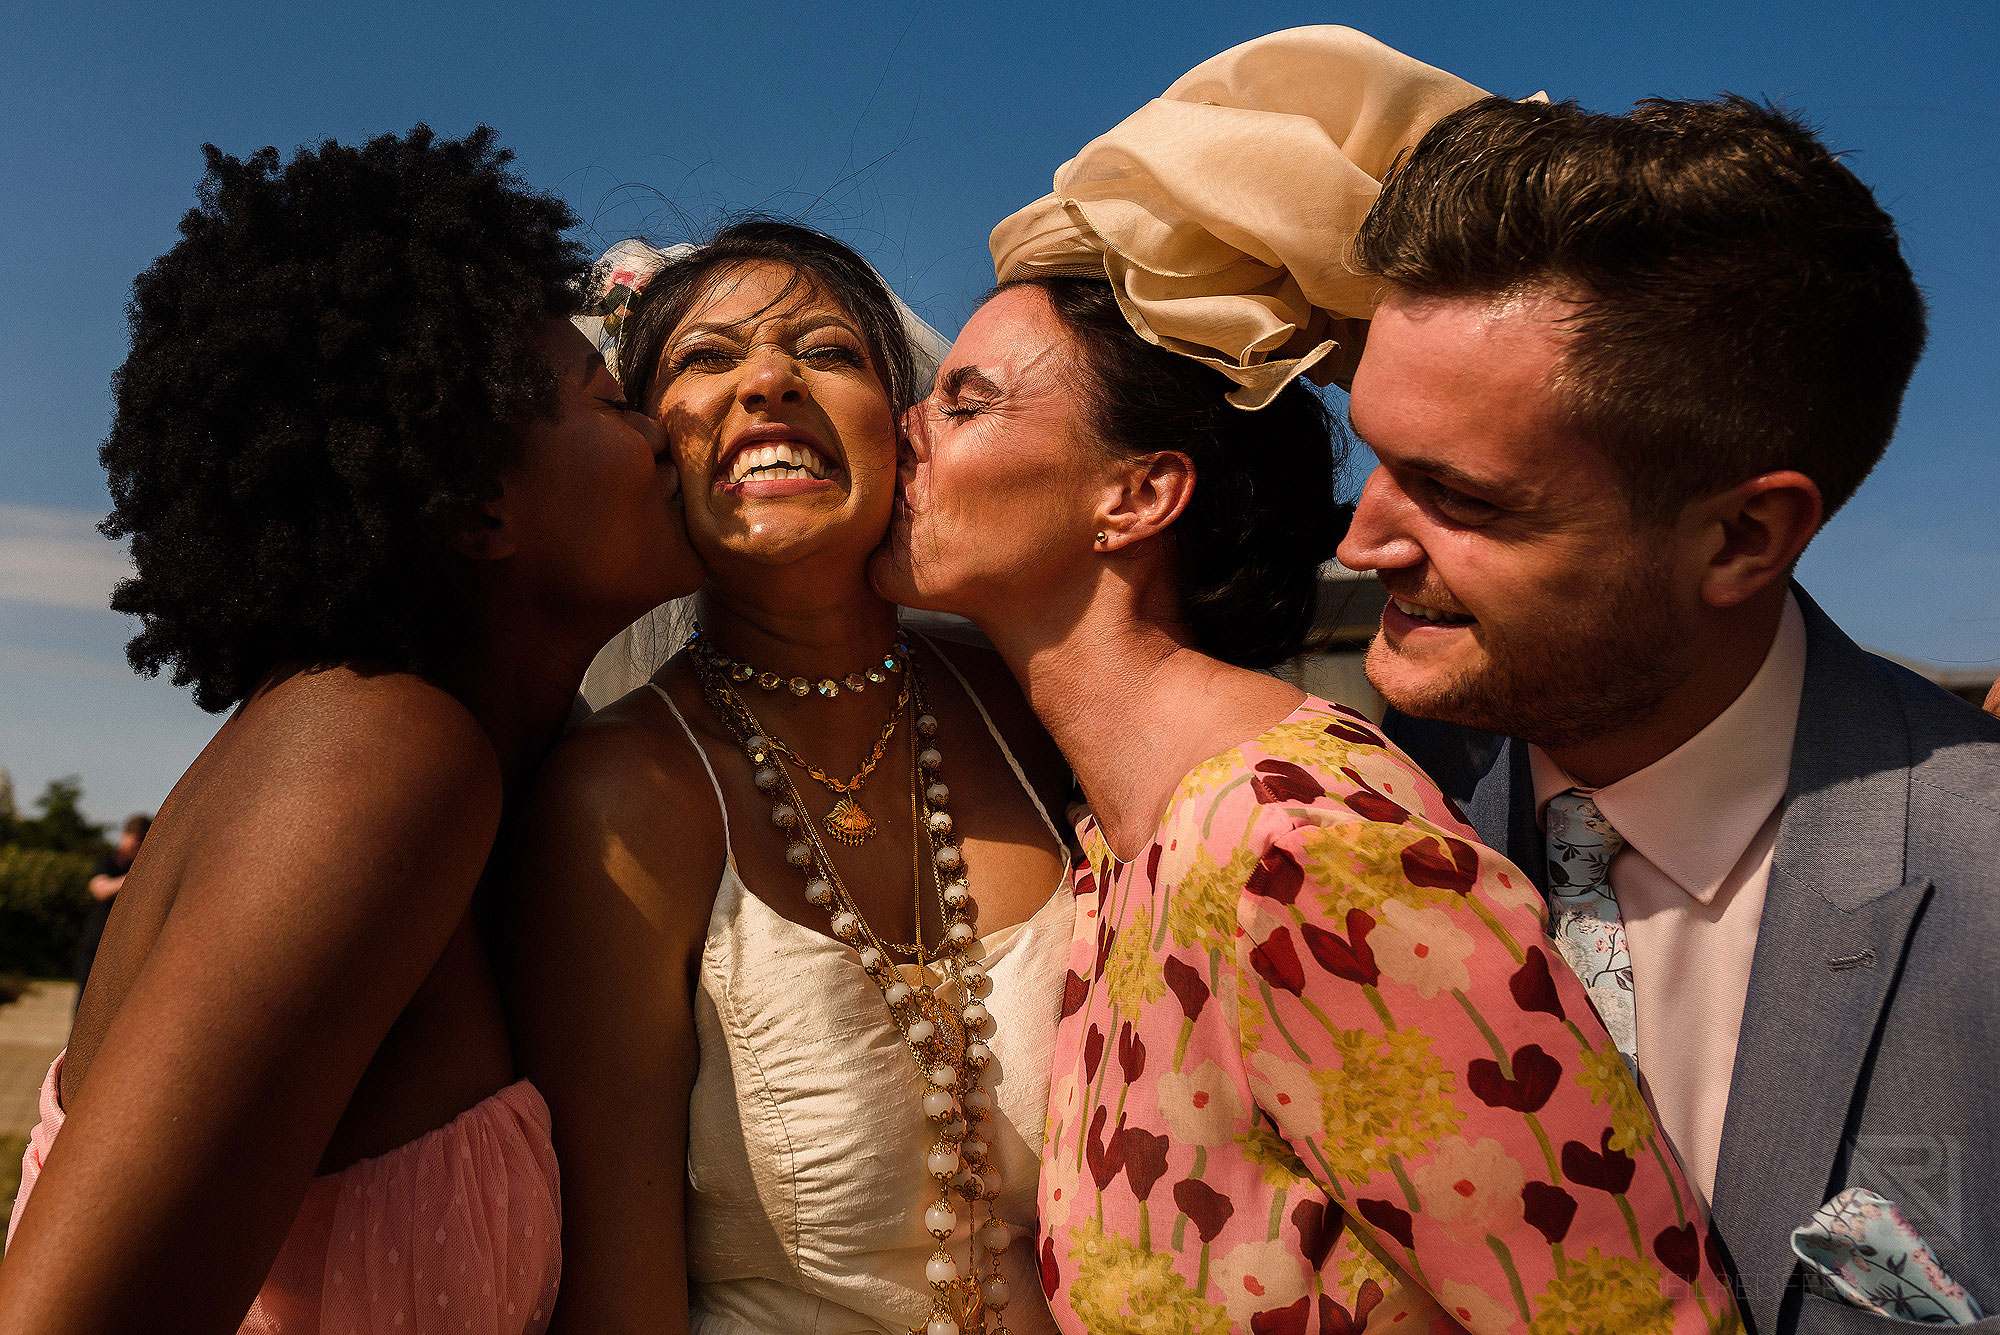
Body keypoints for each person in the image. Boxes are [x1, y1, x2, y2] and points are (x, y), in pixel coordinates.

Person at [874, 27, 1739, 1335]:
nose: (904, 434)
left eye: (965, 401)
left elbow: (1630, 1311)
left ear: (1136, 496)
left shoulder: (1302, 847)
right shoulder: (1114, 842)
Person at [0, 126, 703, 1334]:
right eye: (608, 402)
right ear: (478, 508)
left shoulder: (464, 771)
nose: (658, 435)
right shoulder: (381, 754)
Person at [1335, 95, 2000, 1331]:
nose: (1361, 540)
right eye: (1373, 456)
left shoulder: (1981, 880)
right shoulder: (1347, 825)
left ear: (1742, 536)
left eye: (1456, 495)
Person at [502, 221, 1073, 1335]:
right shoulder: (616, 800)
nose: (767, 381)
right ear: (647, 448)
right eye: (705, 359)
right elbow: (617, 1295)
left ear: (904, 425)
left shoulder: (1030, 704)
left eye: (826, 351)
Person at [76, 813, 150, 1006]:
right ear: (124, 836)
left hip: (125, 949)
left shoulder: (144, 867)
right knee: (86, 1003)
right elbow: (100, 889)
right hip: (96, 945)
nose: (138, 846)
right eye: (135, 839)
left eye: (142, 841)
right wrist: (134, 876)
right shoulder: (108, 862)